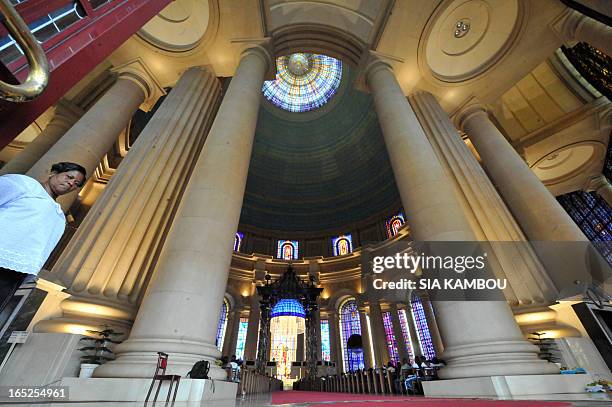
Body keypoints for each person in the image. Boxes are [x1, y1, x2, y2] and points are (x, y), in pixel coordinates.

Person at [0, 162, 86, 314]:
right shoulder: (25, 184)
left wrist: (31, 272)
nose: (71, 183)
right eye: (69, 176)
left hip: (18, 271)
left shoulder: (59, 216)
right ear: (53, 172)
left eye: (76, 183)